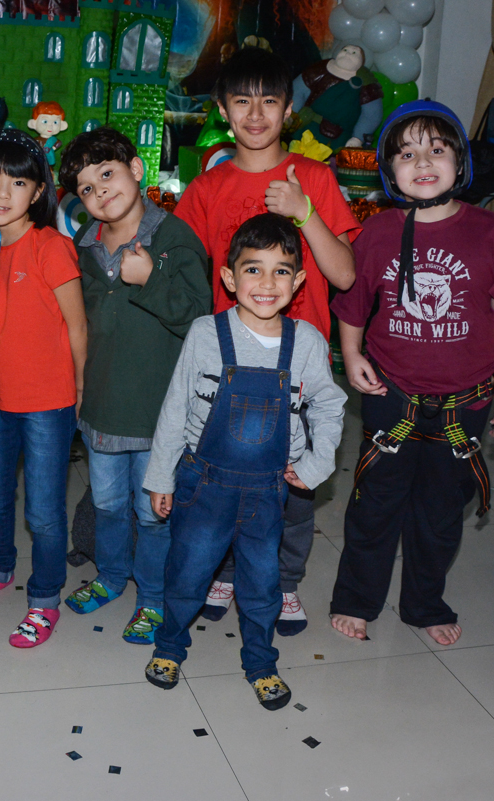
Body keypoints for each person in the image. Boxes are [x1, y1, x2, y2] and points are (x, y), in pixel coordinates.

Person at [328, 101, 494, 646]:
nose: (423, 162)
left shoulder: (492, 233)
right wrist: (350, 356)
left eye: (437, 150)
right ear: (388, 170)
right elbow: (352, 304)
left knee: (441, 512)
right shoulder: (378, 233)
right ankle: (356, 598)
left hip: (466, 402)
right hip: (391, 396)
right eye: (407, 153)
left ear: (459, 162)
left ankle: (424, 602)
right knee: (376, 502)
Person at [175, 46, 361, 636]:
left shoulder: (315, 179)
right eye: (242, 101)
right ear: (223, 113)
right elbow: (175, 263)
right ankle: (226, 571)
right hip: (228, 369)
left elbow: (346, 275)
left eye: (270, 101)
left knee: (294, 481)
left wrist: (306, 214)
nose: (256, 114)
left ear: (289, 111)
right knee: (225, 477)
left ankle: (282, 583)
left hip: (298, 369)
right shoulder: (210, 186)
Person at [142, 213, 347, 708]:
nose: (266, 283)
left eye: (281, 271)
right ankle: (170, 644)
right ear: (230, 278)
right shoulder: (205, 334)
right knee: (187, 571)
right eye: (253, 270)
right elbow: (175, 407)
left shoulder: (309, 342)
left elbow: (330, 404)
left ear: (298, 282)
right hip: (202, 481)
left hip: (268, 489)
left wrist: (317, 466)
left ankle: (260, 659)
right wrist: (160, 477)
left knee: (262, 581)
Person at [57, 126, 212, 644]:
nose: (100, 191)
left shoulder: (174, 238)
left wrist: (152, 280)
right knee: (105, 505)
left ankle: (151, 599)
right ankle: (110, 576)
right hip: (100, 406)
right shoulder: (81, 249)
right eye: (86, 188)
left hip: (157, 412)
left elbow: (199, 315)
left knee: (151, 514)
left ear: (137, 169)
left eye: (107, 174)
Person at [0, 129, 87, 648]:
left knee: (45, 511)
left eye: (18, 182)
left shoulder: (51, 246)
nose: (2, 193)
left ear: (37, 192)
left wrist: (80, 393)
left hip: (48, 404)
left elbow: (76, 326)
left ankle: (45, 597)